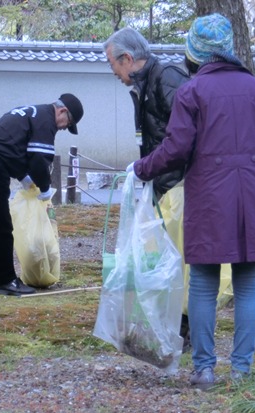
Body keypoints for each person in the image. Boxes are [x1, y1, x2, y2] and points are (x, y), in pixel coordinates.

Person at [131, 13, 255, 388]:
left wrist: (142, 168)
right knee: (249, 281)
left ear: (196, 50)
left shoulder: (192, 91)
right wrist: (253, 170)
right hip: (254, 195)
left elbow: (176, 148)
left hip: (208, 196)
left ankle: (204, 369)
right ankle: (242, 369)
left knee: (203, 280)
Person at [103, 27, 192, 350]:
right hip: (163, 183)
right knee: (168, 259)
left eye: (112, 63)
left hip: (180, 183)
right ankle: (173, 326)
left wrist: (149, 169)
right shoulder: (144, 85)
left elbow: (185, 133)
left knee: (182, 260)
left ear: (127, 59)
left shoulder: (165, 78)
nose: (112, 71)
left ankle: (186, 328)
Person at [0, 93, 84, 296]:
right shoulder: (46, 121)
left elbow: (12, 147)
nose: (65, 127)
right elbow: (39, 159)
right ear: (62, 110)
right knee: (2, 223)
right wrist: (45, 187)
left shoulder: (35, 111)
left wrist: (24, 177)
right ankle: (5, 280)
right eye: (68, 122)